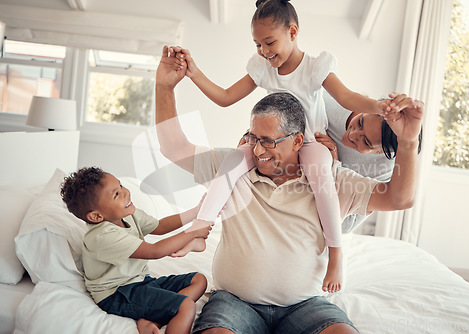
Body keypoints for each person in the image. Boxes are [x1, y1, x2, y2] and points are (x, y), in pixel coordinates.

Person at [155, 45, 424, 334]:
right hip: (235, 302)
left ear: (298, 141)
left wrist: (407, 143)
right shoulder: (234, 169)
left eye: (269, 141)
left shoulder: (331, 178)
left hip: (306, 305)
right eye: (253, 137)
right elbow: (175, 148)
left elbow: (400, 198)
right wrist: (164, 87)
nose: (258, 150)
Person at [171, 0, 393, 293]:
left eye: (270, 42)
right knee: (231, 164)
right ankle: (200, 229)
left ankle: (336, 254)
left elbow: (347, 96)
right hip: (270, 143)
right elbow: (225, 97)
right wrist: (193, 71)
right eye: (258, 44)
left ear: (293, 31)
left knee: (323, 182)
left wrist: (380, 107)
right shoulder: (262, 68)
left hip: (310, 143)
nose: (264, 51)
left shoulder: (316, 67)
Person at [60, 166, 213, 334]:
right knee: (186, 306)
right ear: (96, 216)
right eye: (116, 194)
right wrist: (192, 233)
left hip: (140, 282)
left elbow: (160, 226)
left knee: (199, 280)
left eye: (120, 185)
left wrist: (195, 212)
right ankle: (160, 313)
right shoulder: (102, 236)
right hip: (117, 294)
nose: (126, 192)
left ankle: (151, 318)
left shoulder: (126, 214)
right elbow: (155, 251)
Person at [315, 94, 422, 232]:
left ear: (381, 153)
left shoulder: (383, 169)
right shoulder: (337, 104)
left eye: (366, 141)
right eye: (360, 122)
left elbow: (345, 226)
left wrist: (334, 163)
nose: (352, 135)